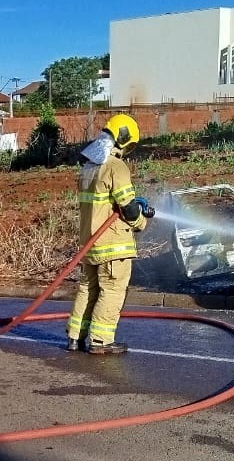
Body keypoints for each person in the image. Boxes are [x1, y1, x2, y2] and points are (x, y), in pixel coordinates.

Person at [67, 113, 151, 355]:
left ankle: (75, 337)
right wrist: (141, 222)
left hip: (89, 242)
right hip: (112, 244)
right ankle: (101, 341)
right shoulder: (116, 166)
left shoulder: (88, 167)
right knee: (112, 290)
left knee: (87, 288)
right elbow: (128, 206)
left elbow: (103, 203)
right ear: (124, 138)